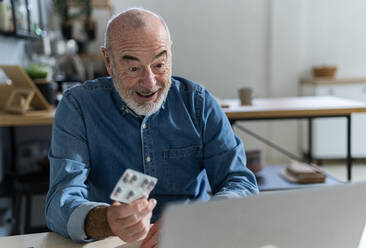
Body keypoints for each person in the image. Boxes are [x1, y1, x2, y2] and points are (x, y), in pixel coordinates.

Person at [45, 7, 258, 247]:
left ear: (170, 54)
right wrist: (107, 220)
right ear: (108, 61)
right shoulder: (79, 107)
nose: (149, 83)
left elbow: (240, 182)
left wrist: (195, 220)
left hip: (192, 238)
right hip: (110, 242)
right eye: (133, 68)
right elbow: (59, 203)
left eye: (159, 64)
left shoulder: (198, 103)